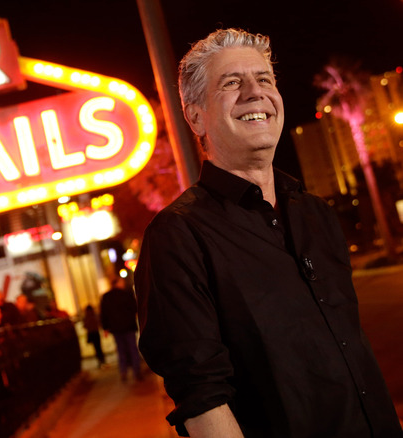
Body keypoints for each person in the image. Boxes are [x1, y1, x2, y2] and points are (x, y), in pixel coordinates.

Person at [134, 28, 403, 437]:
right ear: (195, 116)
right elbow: (202, 398)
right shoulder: (176, 237)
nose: (254, 92)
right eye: (231, 83)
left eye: (264, 79)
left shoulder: (316, 214)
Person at [99, 276, 142, 382]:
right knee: (133, 349)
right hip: (128, 326)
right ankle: (136, 371)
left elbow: (104, 313)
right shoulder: (126, 294)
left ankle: (123, 371)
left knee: (120, 349)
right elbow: (135, 308)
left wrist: (105, 328)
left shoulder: (106, 297)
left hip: (116, 328)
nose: (123, 283)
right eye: (121, 281)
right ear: (117, 283)